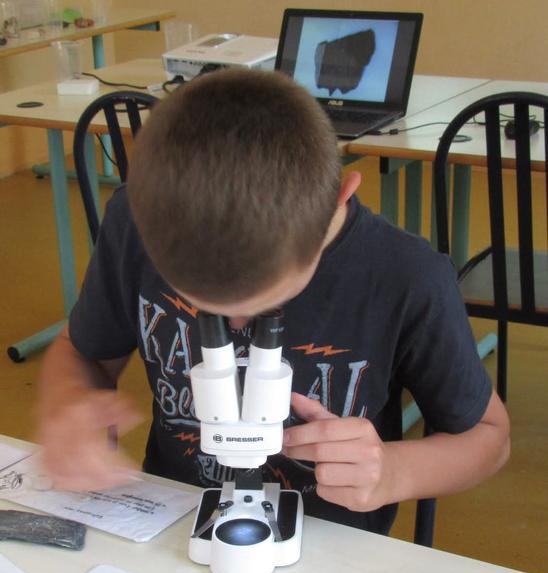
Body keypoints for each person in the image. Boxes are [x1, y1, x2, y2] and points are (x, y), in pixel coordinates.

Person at [36, 68, 510, 535]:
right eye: (203, 306)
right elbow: (83, 353)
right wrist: (69, 403)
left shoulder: (408, 277)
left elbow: (489, 437)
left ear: (338, 198)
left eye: (266, 305)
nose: (236, 329)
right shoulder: (134, 223)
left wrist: (393, 471)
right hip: (176, 525)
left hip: (331, 550)